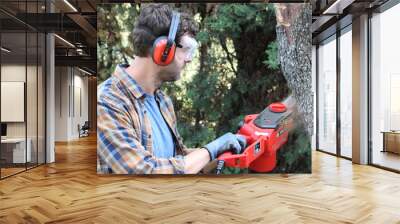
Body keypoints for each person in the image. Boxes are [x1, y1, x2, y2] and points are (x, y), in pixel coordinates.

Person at [97, 3, 246, 174]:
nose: (189, 59)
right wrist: (210, 150)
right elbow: (145, 172)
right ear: (163, 50)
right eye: (187, 49)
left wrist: (224, 150)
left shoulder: (162, 102)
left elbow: (179, 161)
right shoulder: (107, 102)